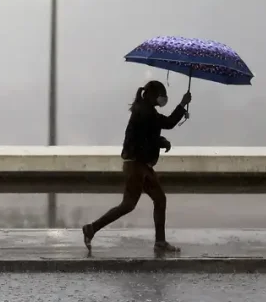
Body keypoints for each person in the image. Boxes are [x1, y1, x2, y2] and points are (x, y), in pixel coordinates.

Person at [81, 80, 191, 254]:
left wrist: (161, 140)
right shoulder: (145, 112)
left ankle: (160, 242)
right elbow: (166, 124)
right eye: (161, 95)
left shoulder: (145, 111)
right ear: (153, 95)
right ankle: (92, 228)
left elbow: (149, 135)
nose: (163, 98)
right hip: (136, 166)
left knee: (159, 199)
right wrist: (182, 105)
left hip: (142, 166)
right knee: (128, 205)